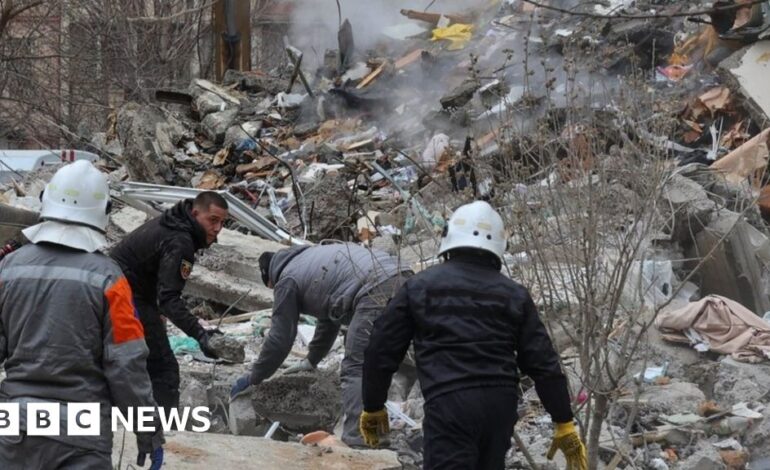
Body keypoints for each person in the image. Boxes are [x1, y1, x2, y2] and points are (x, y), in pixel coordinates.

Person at [360, 200, 588, 470]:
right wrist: (563, 421)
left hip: (450, 404)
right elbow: (543, 363)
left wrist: (373, 406)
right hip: (500, 405)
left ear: (449, 240)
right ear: (499, 247)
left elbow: (381, 350)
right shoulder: (514, 295)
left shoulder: (419, 287)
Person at [0, 160, 163, 469]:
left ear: (46, 198)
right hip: (82, 437)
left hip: (16, 429)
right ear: (104, 210)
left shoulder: (9, 269)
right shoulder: (109, 279)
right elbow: (127, 366)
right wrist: (148, 432)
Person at [230, 242, 412, 446]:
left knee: (356, 367)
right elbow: (329, 318)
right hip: (403, 275)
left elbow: (280, 338)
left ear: (270, 280)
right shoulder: (310, 262)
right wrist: (311, 359)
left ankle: (358, 440)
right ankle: (382, 432)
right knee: (386, 361)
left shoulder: (286, 279)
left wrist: (253, 377)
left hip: (376, 287)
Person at [111, 191, 228, 412]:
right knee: (164, 370)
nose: (217, 228)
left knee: (135, 363)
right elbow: (169, 300)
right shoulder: (180, 241)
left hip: (118, 290)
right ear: (195, 214)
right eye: (213, 220)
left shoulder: (172, 223)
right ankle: (166, 436)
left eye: (223, 222)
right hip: (125, 296)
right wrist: (201, 335)